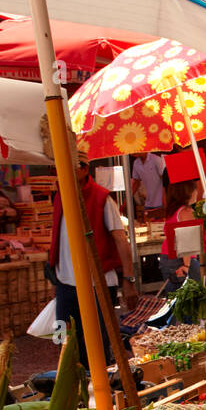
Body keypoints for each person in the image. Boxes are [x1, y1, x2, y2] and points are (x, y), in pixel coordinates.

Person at [48, 154, 137, 371]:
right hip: (65, 284)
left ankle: (103, 387)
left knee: (98, 342)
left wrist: (128, 279)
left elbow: (120, 238)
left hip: (98, 283)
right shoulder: (60, 196)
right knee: (62, 338)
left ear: (83, 169)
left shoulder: (102, 198)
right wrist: (53, 280)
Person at [160, 180, 206, 318]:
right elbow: (187, 240)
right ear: (186, 193)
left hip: (169, 259)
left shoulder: (173, 210)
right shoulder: (186, 212)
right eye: (194, 189)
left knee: (179, 307)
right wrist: (187, 265)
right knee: (203, 304)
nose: (196, 192)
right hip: (182, 260)